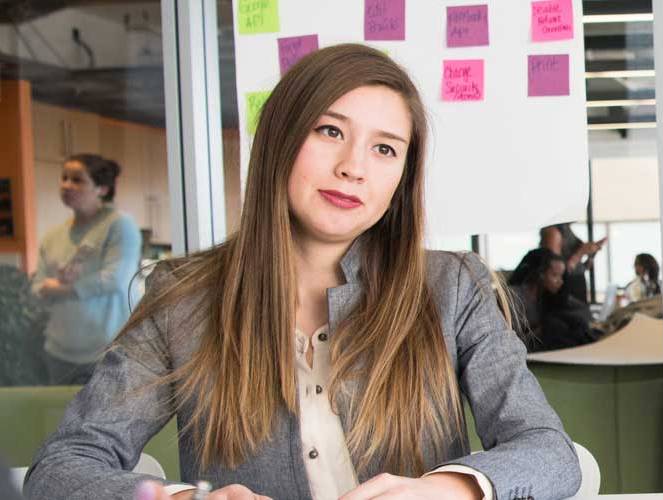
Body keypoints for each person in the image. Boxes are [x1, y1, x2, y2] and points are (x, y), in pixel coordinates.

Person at [24, 44, 580, 500]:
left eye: (385, 149)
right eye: (330, 132)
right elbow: (64, 467)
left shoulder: (452, 287)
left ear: (401, 180)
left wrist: (451, 488)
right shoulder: (183, 298)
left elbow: (550, 453)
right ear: (281, 139)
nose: (353, 168)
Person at [31, 154, 141, 385]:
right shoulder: (53, 236)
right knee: (62, 420)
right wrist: (49, 288)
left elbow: (115, 279)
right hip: (59, 353)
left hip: (108, 352)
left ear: (101, 188)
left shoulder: (119, 225)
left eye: (77, 180)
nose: (67, 185)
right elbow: (37, 287)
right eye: (64, 178)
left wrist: (64, 288)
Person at [509, 248, 597, 352]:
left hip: (537, 346)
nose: (560, 281)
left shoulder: (546, 297)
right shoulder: (515, 297)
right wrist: (539, 331)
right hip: (521, 349)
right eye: (555, 275)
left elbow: (580, 309)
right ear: (541, 274)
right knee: (554, 325)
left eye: (561, 276)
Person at [540, 223, 606, 303]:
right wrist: (581, 251)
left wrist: (590, 256)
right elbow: (555, 268)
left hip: (576, 284)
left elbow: (578, 265)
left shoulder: (566, 228)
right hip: (566, 289)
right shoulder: (553, 230)